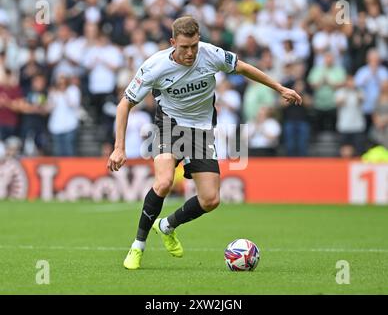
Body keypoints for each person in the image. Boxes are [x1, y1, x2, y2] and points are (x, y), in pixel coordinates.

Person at [107, 16, 302, 270]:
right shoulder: (154, 66)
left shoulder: (211, 54)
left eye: (194, 46)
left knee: (211, 200)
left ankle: (166, 226)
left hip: (201, 130)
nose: (190, 53)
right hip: (170, 124)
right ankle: (138, 246)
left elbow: (243, 67)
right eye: (184, 47)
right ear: (173, 42)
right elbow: (124, 104)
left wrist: (279, 88)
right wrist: (119, 147)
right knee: (164, 181)